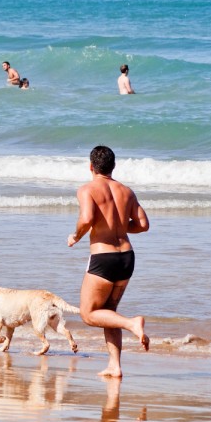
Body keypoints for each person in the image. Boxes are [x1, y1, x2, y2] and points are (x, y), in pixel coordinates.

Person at [68, 145, 150, 377]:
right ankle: (115, 366)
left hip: (104, 258)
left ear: (91, 166)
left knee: (88, 313)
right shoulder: (126, 191)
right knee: (109, 311)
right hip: (127, 257)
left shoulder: (87, 189)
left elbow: (87, 218)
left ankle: (132, 323)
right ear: (113, 166)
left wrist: (76, 236)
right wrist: (120, 227)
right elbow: (143, 225)